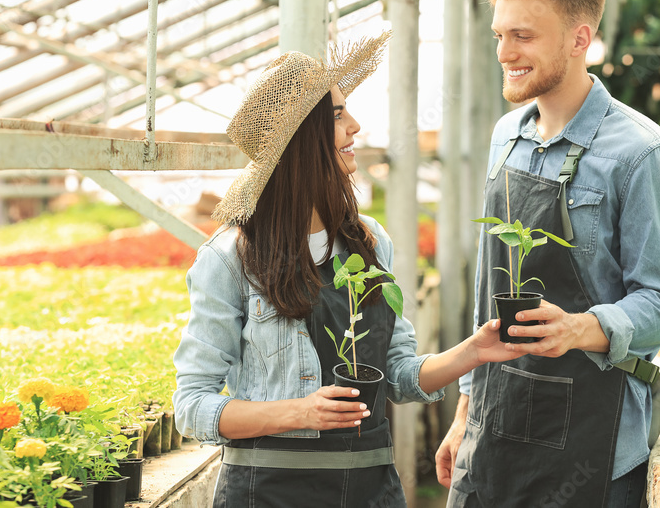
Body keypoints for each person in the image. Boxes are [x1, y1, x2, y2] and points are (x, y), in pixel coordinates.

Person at [173, 32, 525, 507]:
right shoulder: (232, 258)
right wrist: (299, 412)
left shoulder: (370, 243)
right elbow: (192, 406)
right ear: (301, 141)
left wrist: (473, 352)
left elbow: (397, 376)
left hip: (368, 488)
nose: (355, 127)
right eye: (338, 116)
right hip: (268, 492)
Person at [434, 0, 660, 508]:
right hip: (496, 428)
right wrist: (465, 412)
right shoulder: (507, 137)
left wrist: (577, 327)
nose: (505, 52)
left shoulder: (643, 155)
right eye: (500, 34)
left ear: (580, 39)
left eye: (523, 36)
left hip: (594, 445)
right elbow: (488, 290)